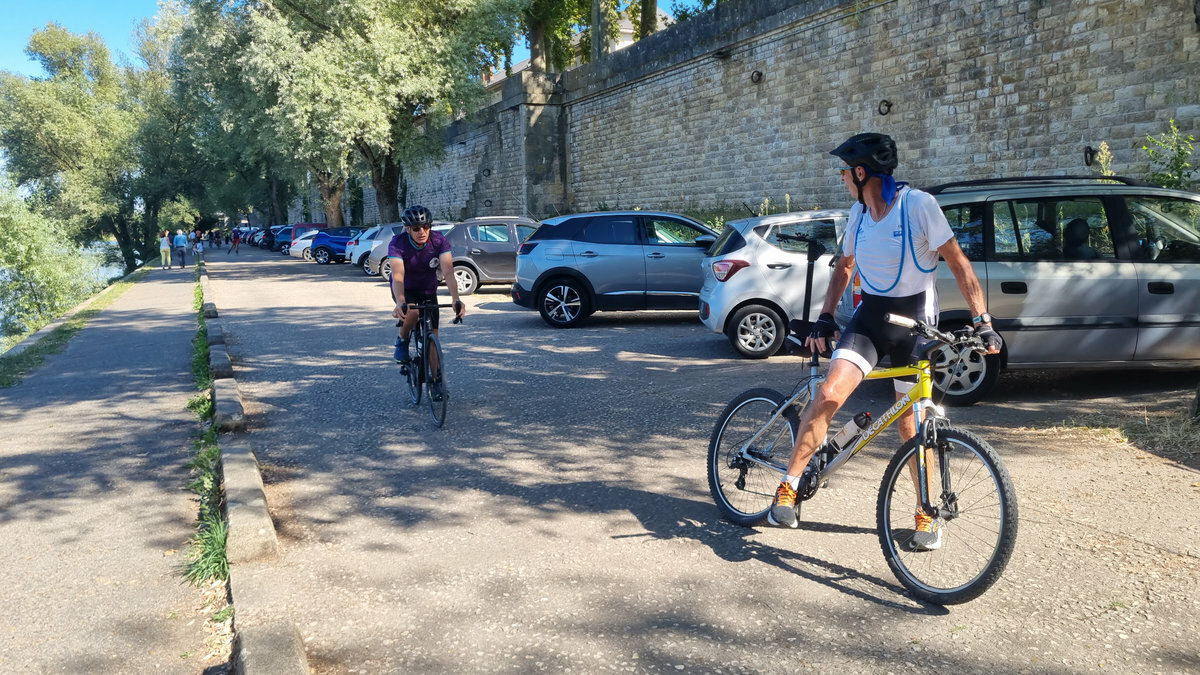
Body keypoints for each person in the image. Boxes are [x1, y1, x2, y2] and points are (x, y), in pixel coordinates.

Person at [767, 133, 1002, 551]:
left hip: (916, 326)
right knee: (829, 393)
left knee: (913, 423)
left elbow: (958, 262)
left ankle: (926, 513)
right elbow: (845, 267)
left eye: (844, 171)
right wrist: (825, 316)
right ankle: (789, 485)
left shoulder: (918, 206)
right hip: (871, 319)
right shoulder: (858, 214)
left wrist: (982, 321)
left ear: (861, 173)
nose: (842, 178)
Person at [388, 205, 465, 401]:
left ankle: (437, 381)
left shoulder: (439, 241)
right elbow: (398, 274)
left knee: (433, 338)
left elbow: (448, 271)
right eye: (416, 228)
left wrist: (456, 299)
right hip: (405, 289)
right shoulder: (398, 243)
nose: (422, 231)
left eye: (426, 226)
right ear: (407, 229)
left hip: (428, 289)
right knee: (413, 312)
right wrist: (400, 301)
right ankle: (402, 340)